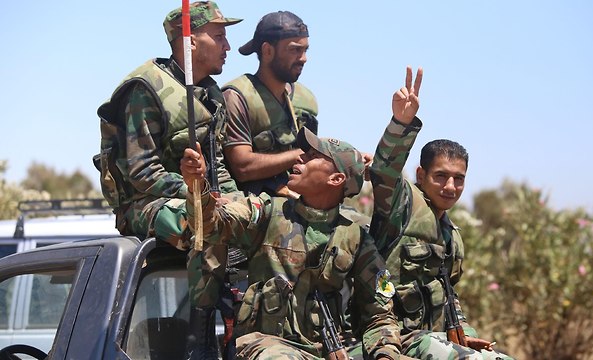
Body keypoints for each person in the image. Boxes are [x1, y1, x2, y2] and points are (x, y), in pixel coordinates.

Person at [95, 2, 241, 358]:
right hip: (144, 205)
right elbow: (143, 173)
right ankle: (199, 341)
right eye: (219, 36)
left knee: (257, 220)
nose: (228, 47)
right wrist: (197, 192)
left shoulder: (209, 93)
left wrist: (239, 205)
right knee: (202, 226)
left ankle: (248, 328)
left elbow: (218, 165)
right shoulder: (146, 88)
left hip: (199, 197)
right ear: (189, 42)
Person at [180, 128, 403, 359]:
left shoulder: (356, 238)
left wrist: (385, 354)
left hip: (328, 350)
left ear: (336, 179)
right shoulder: (267, 212)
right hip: (265, 346)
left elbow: (380, 315)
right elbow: (211, 226)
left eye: (313, 156)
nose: (300, 157)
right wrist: (198, 187)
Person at [368, 66, 515, 359]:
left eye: (458, 179)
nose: (450, 186)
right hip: (389, 337)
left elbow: (448, 295)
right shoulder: (402, 205)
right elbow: (383, 171)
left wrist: (465, 334)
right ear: (421, 175)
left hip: (430, 337)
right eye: (441, 176)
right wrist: (401, 123)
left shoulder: (451, 236)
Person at [221, 11, 318, 198]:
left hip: (298, 201)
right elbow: (242, 166)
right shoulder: (238, 96)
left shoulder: (305, 100)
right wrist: (302, 153)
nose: (303, 58)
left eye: (305, 50)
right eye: (294, 50)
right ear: (267, 51)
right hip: (254, 205)